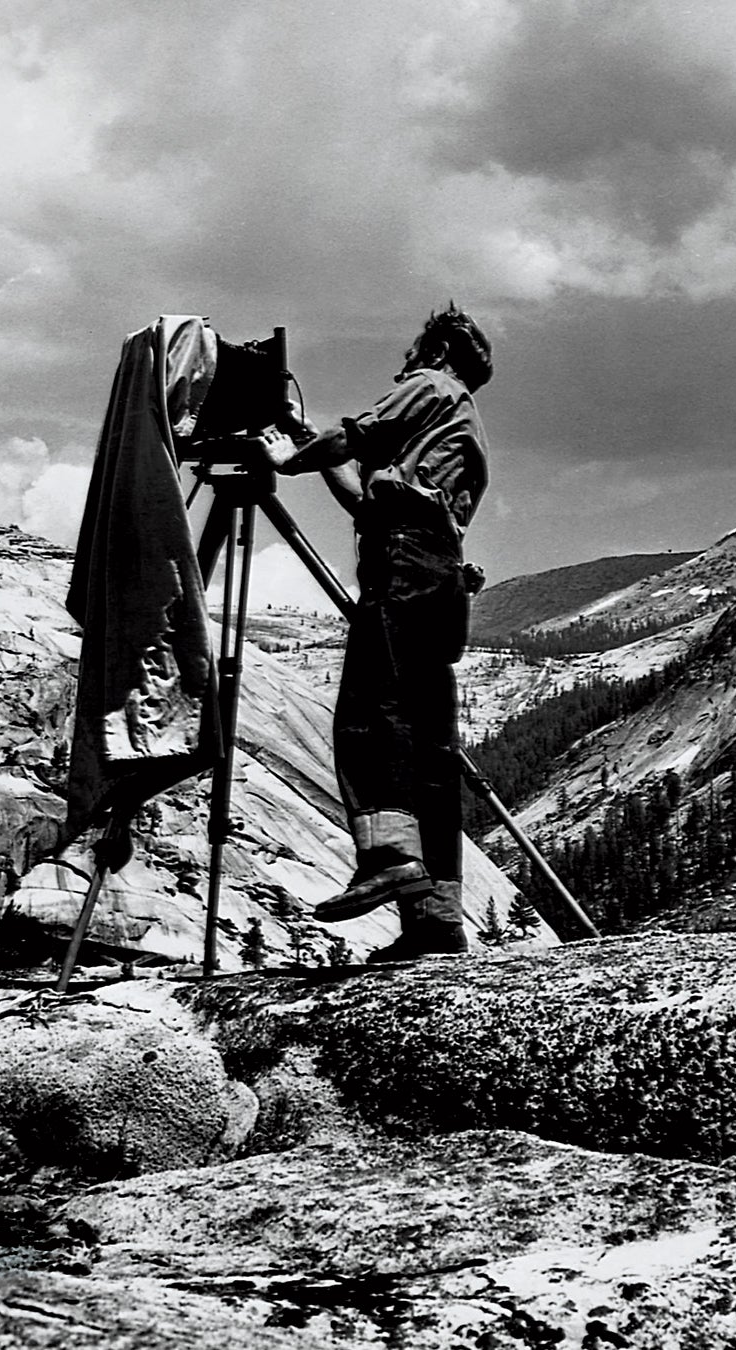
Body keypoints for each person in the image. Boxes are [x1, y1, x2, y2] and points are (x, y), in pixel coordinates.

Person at [270, 306, 491, 961]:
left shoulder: (432, 385)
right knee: (428, 746)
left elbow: (352, 440)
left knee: (374, 710)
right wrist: (300, 437)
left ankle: (389, 855)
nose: (406, 362)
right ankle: (436, 921)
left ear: (441, 349)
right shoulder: (456, 425)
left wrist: (289, 460)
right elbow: (367, 501)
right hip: (438, 575)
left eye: (415, 349)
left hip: (402, 564)